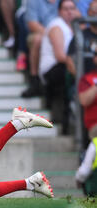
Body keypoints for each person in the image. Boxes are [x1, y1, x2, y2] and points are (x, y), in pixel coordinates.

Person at [39, 0, 78, 134]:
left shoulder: (75, 26)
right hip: (53, 69)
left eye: (72, 8)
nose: (69, 12)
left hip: (65, 66)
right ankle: (62, 121)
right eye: (66, 9)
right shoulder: (57, 26)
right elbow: (61, 56)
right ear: (59, 11)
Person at [21, 0, 59, 98]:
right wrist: (52, 34)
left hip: (63, 33)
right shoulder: (34, 1)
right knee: (37, 39)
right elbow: (32, 24)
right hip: (43, 33)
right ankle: (35, 80)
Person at [66, 0, 97, 76]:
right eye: (93, 10)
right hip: (86, 82)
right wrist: (83, 81)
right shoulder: (80, 36)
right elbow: (69, 61)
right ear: (88, 13)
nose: (95, 13)